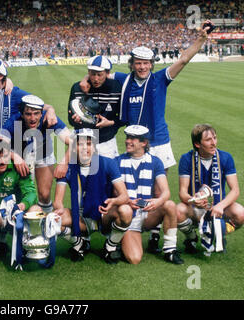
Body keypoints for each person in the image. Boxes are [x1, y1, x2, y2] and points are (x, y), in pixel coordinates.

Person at [80, 20, 214, 251]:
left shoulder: (161, 78)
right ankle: (128, 224)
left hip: (159, 140)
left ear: (152, 64)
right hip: (134, 142)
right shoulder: (124, 80)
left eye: (146, 63)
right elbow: (99, 73)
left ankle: (154, 235)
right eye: (138, 63)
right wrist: (85, 79)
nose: (142, 67)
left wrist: (201, 38)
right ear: (132, 64)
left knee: (158, 190)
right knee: (133, 186)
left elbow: (183, 59)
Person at [53, 128, 131, 264]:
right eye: (80, 144)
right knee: (52, 221)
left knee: (126, 211)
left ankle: (110, 247)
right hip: (80, 217)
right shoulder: (67, 167)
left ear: (94, 146)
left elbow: (124, 196)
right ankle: (79, 243)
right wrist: (59, 212)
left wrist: (114, 201)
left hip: (103, 213)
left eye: (88, 143)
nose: (84, 148)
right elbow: (58, 201)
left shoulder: (108, 163)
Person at [116, 125, 184, 265]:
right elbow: (113, 193)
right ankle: (120, 239)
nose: (128, 141)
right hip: (129, 217)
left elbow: (166, 192)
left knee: (170, 205)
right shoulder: (117, 161)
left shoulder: (155, 162)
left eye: (133, 138)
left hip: (148, 215)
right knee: (134, 259)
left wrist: (157, 203)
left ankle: (170, 250)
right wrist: (128, 201)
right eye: (127, 137)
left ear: (144, 143)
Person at [176, 124, 244, 253]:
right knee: (178, 211)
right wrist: (193, 200)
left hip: (219, 206)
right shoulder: (186, 159)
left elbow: (235, 190)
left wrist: (220, 205)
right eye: (208, 140)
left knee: (240, 214)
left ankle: (218, 234)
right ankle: (191, 238)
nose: (214, 143)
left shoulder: (225, 157)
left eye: (215, 138)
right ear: (197, 144)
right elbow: (182, 192)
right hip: (196, 208)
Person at [0, 94, 72, 213]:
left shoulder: (50, 119)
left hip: (44, 154)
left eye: (36, 113)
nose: (33, 118)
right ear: (22, 114)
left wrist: (64, 163)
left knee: (44, 195)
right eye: (28, 114)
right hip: (21, 157)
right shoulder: (13, 121)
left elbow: (73, 142)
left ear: (41, 113)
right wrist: (15, 156)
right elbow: (0, 145)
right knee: (22, 195)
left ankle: (46, 225)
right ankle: (20, 223)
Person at [68, 55, 123, 159]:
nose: (96, 79)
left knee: (107, 174)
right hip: (82, 142)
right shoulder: (77, 88)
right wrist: (76, 120)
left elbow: (124, 118)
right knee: (81, 175)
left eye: (99, 74)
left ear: (107, 73)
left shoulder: (117, 88)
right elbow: (70, 118)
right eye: (93, 74)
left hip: (106, 143)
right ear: (88, 73)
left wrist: (110, 123)